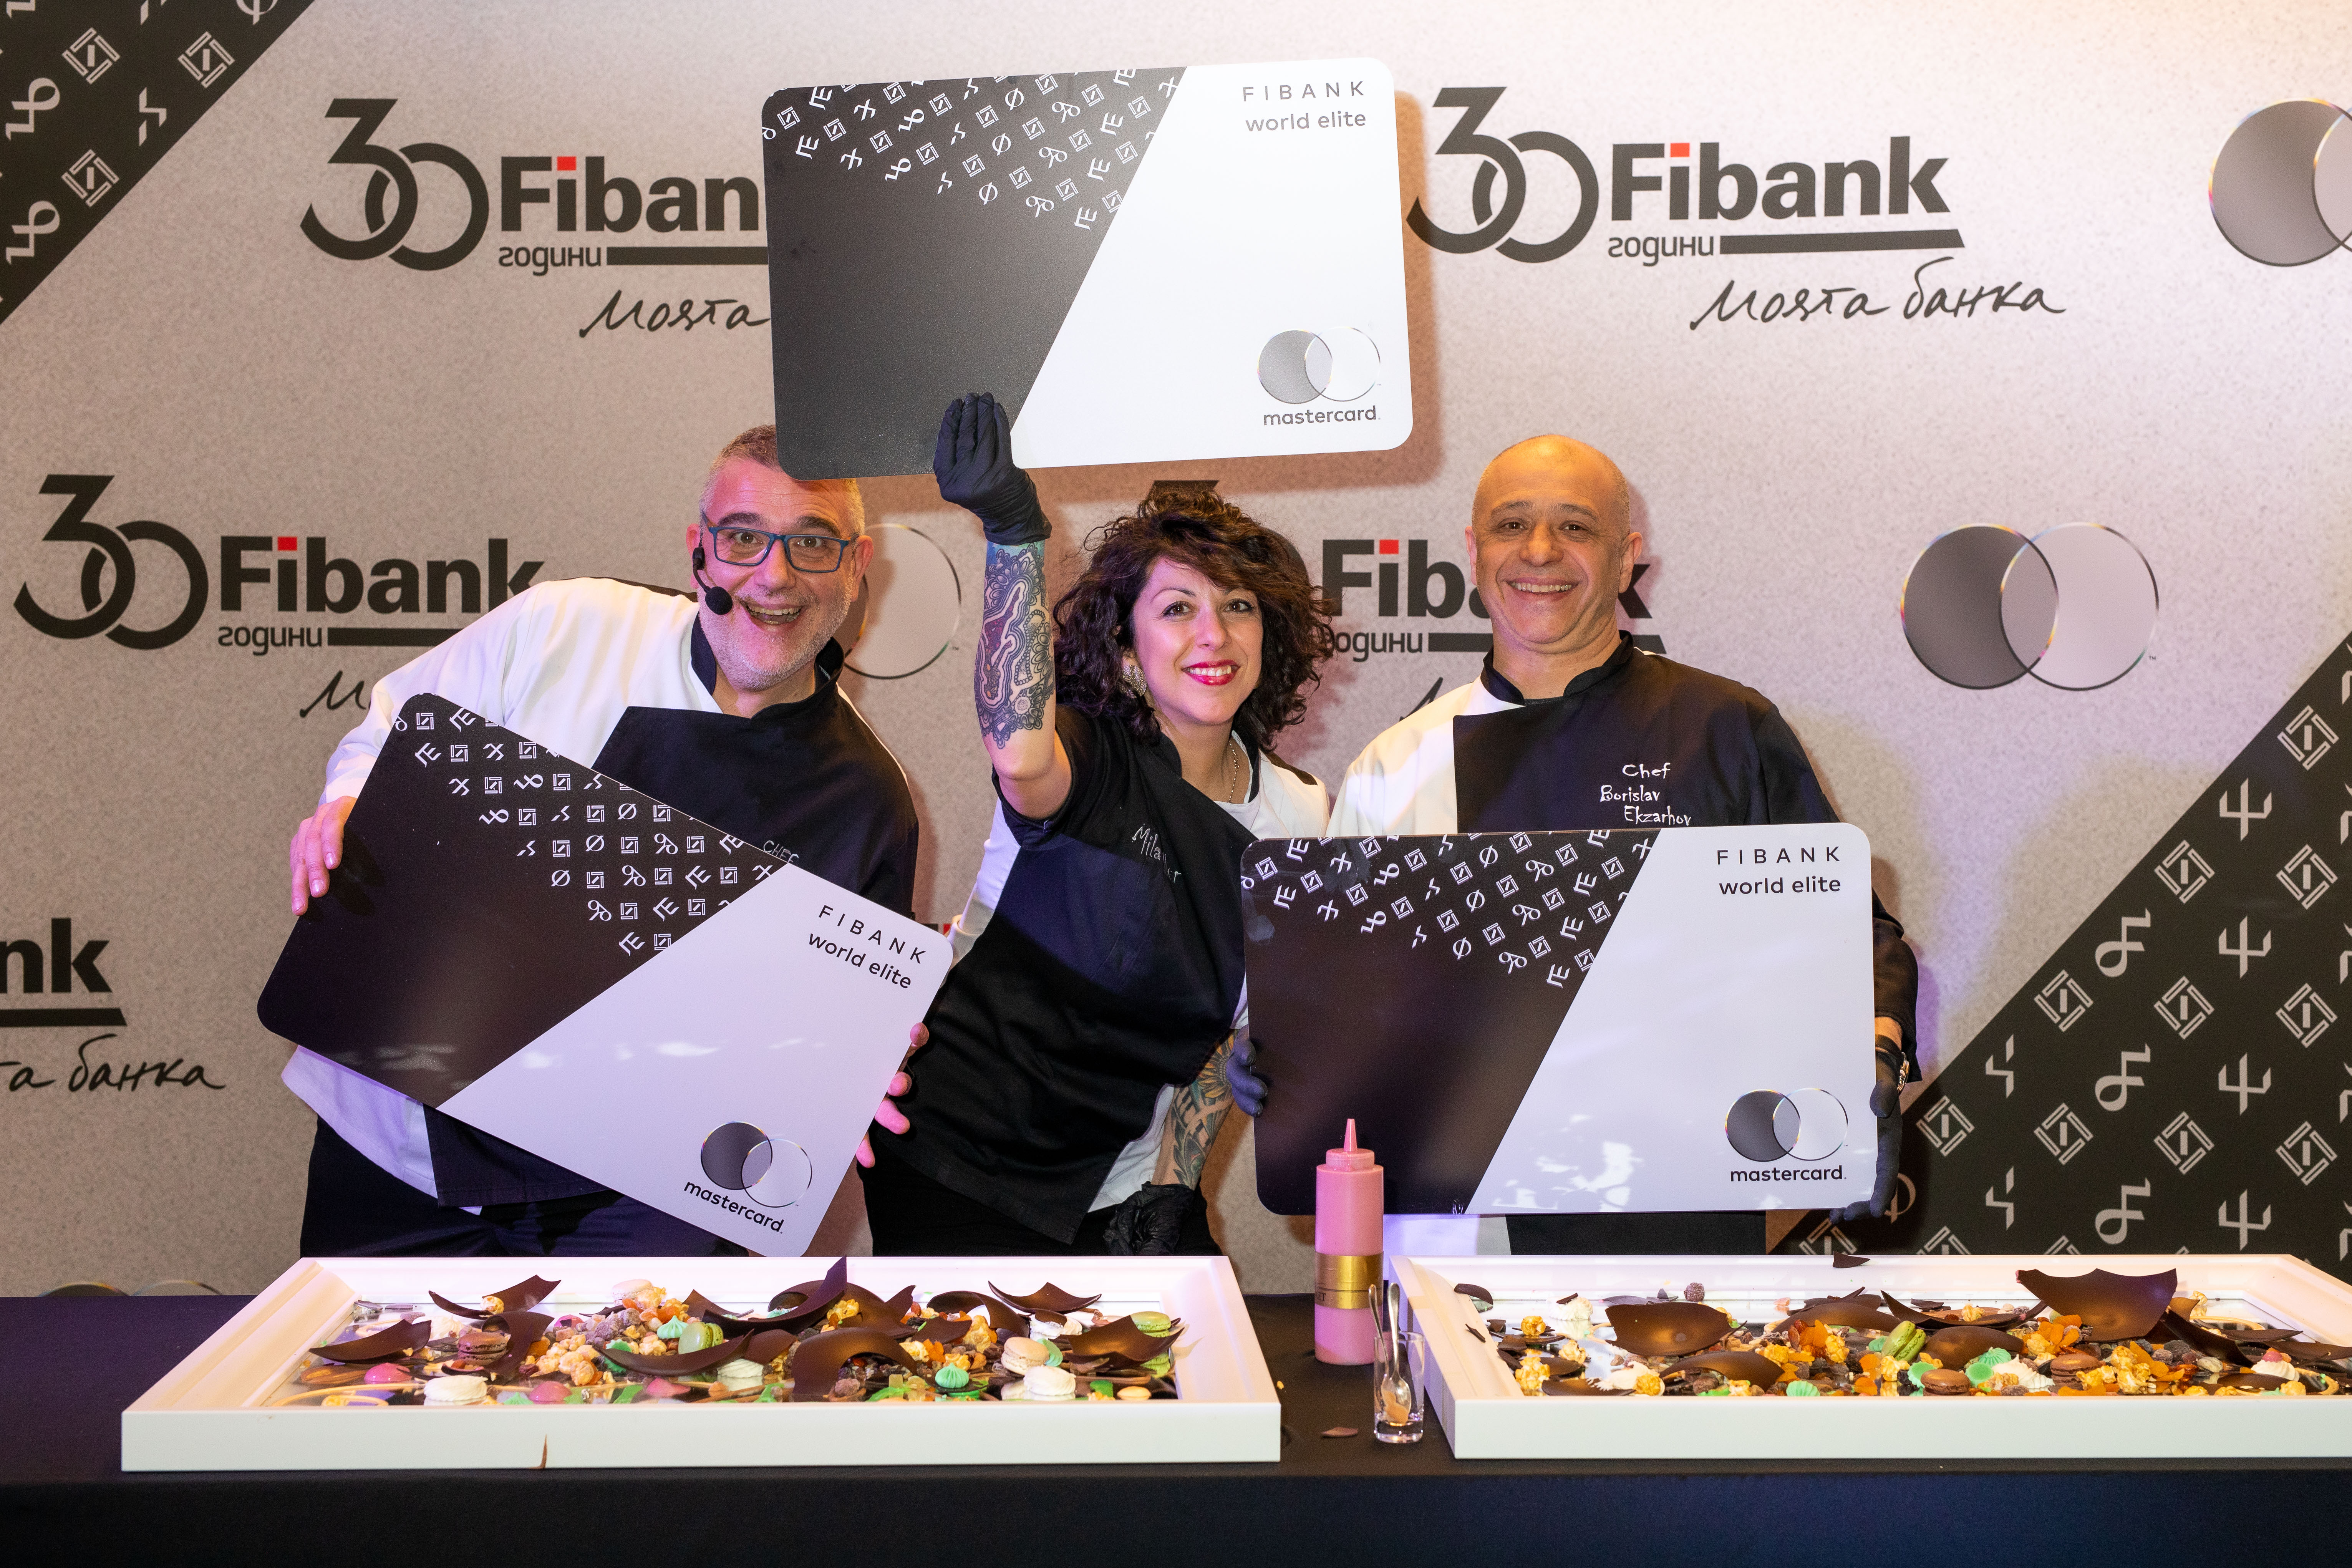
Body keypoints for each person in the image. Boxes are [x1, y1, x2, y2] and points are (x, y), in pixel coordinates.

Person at [1253, 432, 1918, 1258]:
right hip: (1455, 1238)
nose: (1539, 551)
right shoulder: (1394, 766)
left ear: (1626, 555)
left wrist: (1875, 1048)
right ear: (1472, 550)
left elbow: (1848, 930)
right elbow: (1347, 1001)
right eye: (1511, 525)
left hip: (1679, 1219)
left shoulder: (1722, 729)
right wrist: (1292, 1054)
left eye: (1575, 526)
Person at [279, 425, 922, 1256]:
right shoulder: (564, 625)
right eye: (742, 538)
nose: (774, 576)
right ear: (697, 549)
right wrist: (349, 805)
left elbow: (824, 1030)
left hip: (635, 1195)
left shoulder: (866, 799)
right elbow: (393, 733)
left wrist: (848, 1063)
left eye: (812, 543)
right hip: (403, 1136)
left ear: (857, 563)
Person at [859, 394, 1334, 1255]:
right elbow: (1018, 751)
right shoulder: (1085, 755)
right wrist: (1014, 535)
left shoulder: (1298, 815)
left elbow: (1223, 1037)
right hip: (954, 1156)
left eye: (1238, 606)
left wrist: (1175, 1187)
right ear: (1125, 648)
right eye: (1177, 608)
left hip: (1116, 1179)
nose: (1213, 634)